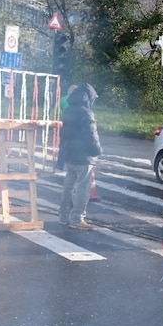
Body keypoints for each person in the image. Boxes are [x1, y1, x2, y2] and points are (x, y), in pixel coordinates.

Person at [57, 84, 101, 229]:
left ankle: (63, 215)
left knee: (68, 187)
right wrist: (97, 150)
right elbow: (91, 135)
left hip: (70, 155)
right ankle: (77, 218)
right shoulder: (86, 113)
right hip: (84, 157)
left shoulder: (68, 110)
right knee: (83, 189)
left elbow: (63, 134)